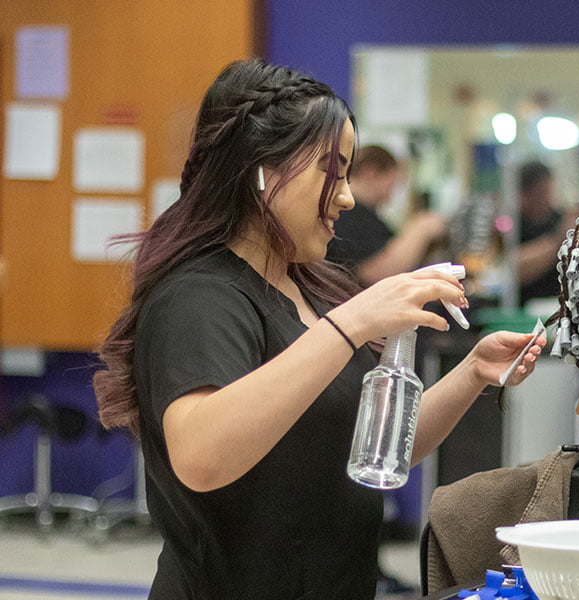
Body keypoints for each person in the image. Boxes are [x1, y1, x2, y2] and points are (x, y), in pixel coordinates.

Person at [91, 58, 545, 600]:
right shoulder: (199, 295)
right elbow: (201, 454)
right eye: (333, 171)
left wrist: (473, 373)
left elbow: (373, 446)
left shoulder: (305, 290)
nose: (348, 196)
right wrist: (352, 322)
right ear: (262, 170)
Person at [326, 144, 447, 286]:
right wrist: (421, 228)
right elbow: (376, 271)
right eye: (391, 184)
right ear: (370, 172)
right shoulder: (350, 214)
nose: (390, 195)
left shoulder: (362, 215)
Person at [516, 161, 579, 305]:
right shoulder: (515, 226)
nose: (547, 197)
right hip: (524, 305)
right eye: (541, 191)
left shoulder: (559, 218)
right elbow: (516, 269)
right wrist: (558, 239)